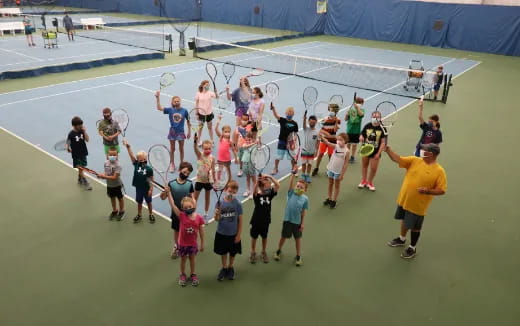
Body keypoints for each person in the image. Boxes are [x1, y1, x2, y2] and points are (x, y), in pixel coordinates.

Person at [385, 144, 447, 259]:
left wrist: (428, 191)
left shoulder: (439, 171)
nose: (421, 151)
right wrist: (388, 150)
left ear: (431, 154)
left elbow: (442, 190)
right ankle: (402, 239)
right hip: (404, 200)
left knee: (415, 227)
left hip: (418, 206)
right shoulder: (415, 160)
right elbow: (397, 159)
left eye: (425, 150)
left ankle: (412, 247)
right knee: (404, 220)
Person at [165, 190, 205, 286]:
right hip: (182, 244)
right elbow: (173, 205)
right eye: (185, 207)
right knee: (183, 260)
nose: (188, 208)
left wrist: (202, 243)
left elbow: (201, 232)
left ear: (193, 206)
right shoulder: (181, 216)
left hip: (193, 244)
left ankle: (193, 274)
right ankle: (182, 274)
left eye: (190, 207)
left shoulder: (199, 218)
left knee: (192, 259)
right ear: (182, 209)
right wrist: (169, 193)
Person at [160, 162, 195, 258]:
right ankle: (177, 246)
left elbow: (193, 197)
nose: (186, 175)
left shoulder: (189, 184)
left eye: (188, 174)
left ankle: (187, 245)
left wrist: (193, 205)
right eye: (184, 172)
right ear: (179, 170)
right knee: (176, 230)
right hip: (176, 212)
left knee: (187, 230)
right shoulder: (171, 184)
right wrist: (165, 191)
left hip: (187, 212)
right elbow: (162, 197)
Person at [273, 172, 308, 266]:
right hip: (287, 220)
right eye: (298, 186)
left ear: (305, 190)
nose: (299, 188)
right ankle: (278, 250)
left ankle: (298, 256)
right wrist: (292, 175)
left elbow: (303, 212)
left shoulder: (305, 199)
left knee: (298, 239)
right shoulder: (291, 193)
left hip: (297, 223)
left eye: (301, 187)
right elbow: (290, 185)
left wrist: (302, 223)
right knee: (283, 237)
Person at [213, 180, 243, 281]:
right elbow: (216, 219)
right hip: (221, 233)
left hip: (233, 234)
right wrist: (216, 214)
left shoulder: (237, 204)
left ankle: (230, 267)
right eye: (230, 191)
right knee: (223, 252)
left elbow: (240, 220)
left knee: (233, 252)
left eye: (234, 192)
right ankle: (224, 267)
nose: (232, 194)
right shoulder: (219, 203)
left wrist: (238, 235)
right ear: (225, 190)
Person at [155, 92, 191, 172]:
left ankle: (182, 165)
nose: (177, 102)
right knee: (172, 149)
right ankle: (172, 164)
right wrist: (157, 98)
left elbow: (188, 121)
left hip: (181, 132)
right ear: (172, 102)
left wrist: (189, 131)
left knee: (181, 149)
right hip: (172, 132)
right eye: (175, 101)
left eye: (178, 101)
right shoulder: (170, 110)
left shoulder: (184, 111)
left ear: (180, 102)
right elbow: (159, 108)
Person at [122, 140, 156, 223]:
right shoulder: (136, 164)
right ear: (137, 160)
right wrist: (128, 147)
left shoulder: (149, 169)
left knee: (149, 202)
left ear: (146, 158)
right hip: (139, 188)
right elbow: (131, 156)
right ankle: (139, 215)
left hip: (147, 189)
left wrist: (151, 189)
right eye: (140, 160)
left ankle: (151, 214)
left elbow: (152, 180)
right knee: (139, 202)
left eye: (144, 159)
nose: (143, 161)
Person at [249, 175, 279, 264]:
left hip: (266, 221)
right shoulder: (257, 196)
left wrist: (269, 176)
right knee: (254, 237)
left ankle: (263, 251)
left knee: (264, 237)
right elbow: (254, 192)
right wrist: (257, 183)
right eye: (268, 183)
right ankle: (253, 252)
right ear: (262, 186)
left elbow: (277, 185)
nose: (270, 185)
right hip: (256, 221)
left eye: (270, 183)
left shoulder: (270, 195)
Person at [320, 133, 350, 209]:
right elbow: (327, 143)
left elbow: (346, 164)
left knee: (336, 186)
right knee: (330, 184)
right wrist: (322, 137)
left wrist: (342, 174)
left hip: (338, 171)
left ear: (345, 141)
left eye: (341, 140)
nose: (338, 141)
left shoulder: (347, 151)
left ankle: (334, 200)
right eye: (338, 139)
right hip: (331, 169)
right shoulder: (335, 146)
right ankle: (329, 198)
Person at [358, 111, 387, 191]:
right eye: (374, 116)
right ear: (371, 117)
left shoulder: (382, 128)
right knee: (364, 166)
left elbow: (383, 143)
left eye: (377, 117)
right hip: (365, 150)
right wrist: (361, 137)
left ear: (380, 118)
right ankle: (363, 181)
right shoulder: (367, 125)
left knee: (373, 168)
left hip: (375, 152)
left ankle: (369, 182)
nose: (375, 118)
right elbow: (362, 134)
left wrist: (378, 153)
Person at [97, 147, 125, 221]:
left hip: (117, 185)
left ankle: (121, 211)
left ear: (117, 155)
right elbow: (106, 173)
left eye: (114, 155)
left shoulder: (118, 165)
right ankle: (115, 210)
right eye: (110, 155)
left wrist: (104, 176)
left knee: (120, 198)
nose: (112, 156)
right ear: (107, 155)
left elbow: (114, 177)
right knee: (112, 198)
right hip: (109, 185)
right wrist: (101, 176)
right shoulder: (106, 163)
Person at [312, 104, 341, 176]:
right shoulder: (325, 119)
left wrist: (336, 122)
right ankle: (316, 168)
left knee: (330, 155)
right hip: (324, 140)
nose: (331, 111)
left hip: (332, 141)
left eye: (333, 110)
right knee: (320, 154)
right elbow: (321, 130)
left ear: (336, 111)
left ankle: (330, 169)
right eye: (330, 109)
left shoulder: (338, 120)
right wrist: (325, 134)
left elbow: (335, 130)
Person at [271, 104, 299, 175]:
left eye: (291, 113)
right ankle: (275, 168)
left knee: (292, 158)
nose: (289, 114)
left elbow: (295, 134)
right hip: (282, 141)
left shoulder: (295, 123)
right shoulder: (282, 120)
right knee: (278, 156)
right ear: (286, 113)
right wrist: (273, 109)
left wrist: (293, 142)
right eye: (288, 113)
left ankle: (293, 169)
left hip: (290, 143)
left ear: (293, 114)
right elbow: (276, 115)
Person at [192, 133, 214, 221]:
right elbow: (195, 148)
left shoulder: (212, 158)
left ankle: (206, 213)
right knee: (194, 198)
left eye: (209, 148)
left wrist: (214, 179)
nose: (207, 150)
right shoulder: (200, 155)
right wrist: (195, 141)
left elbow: (213, 169)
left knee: (207, 197)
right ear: (202, 148)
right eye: (205, 148)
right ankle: (192, 212)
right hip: (199, 180)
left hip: (208, 181)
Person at [67, 116, 91, 190]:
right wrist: (68, 148)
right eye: (79, 125)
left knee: (82, 167)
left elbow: (87, 140)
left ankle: (80, 178)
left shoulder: (81, 131)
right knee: (80, 167)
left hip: (83, 152)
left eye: (81, 124)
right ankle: (84, 181)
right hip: (76, 154)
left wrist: (84, 131)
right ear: (74, 125)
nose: (81, 126)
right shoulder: (71, 134)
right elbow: (68, 142)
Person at [194, 80, 217, 145]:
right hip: (201, 114)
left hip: (209, 113)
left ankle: (212, 141)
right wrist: (196, 113)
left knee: (210, 128)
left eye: (208, 85)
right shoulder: (198, 93)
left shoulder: (210, 93)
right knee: (200, 128)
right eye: (206, 85)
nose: (208, 86)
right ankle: (198, 141)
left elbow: (217, 97)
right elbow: (197, 103)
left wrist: (216, 92)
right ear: (203, 85)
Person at [301, 111, 319, 183]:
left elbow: (318, 142)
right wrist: (304, 117)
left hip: (312, 151)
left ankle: (308, 175)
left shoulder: (317, 132)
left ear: (316, 122)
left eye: (313, 122)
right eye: (311, 122)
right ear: (308, 122)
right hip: (304, 150)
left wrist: (316, 151)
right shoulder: (306, 129)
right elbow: (304, 124)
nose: (312, 123)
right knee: (303, 163)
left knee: (309, 164)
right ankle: (303, 175)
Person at [232, 113, 253, 177]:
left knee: (248, 159)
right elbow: (234, 139)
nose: (244, 121)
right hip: (240, 147)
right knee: (241, 159)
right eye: (243, 119)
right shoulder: (237, 129)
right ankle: (241, 169)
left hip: (248, 147)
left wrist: (251, 117)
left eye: (246, 119)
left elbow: (253, 123)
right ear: (241, 119)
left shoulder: (249, 126)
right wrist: (235, 147)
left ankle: (249, 168)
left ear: (248, 120)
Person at [345, 96, 365, 163]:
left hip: (356, 131)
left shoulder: (362, 110)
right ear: (355, 103)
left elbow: (361, 115)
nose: (360, 104)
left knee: (354, 144)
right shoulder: (350, 110)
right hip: (349, 130)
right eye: (358, 102)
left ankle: (352, 157)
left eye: (360, 103)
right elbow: (346, 119)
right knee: (348, 144)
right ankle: (347, 156)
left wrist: (357, 108)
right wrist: (347, 114)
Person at [239, 131, 257, 197]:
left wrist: (257, 142)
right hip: (245, 164)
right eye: (246, 140)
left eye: (249, 140)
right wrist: (253, 143)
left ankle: (253, 192)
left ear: (252, 139)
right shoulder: (244, 145)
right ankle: (248, 190)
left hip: (251, 164)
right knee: (247, 178)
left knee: (254, 179)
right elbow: (246, 146)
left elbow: (258, 147)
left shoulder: (255, 146)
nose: (247, 141)